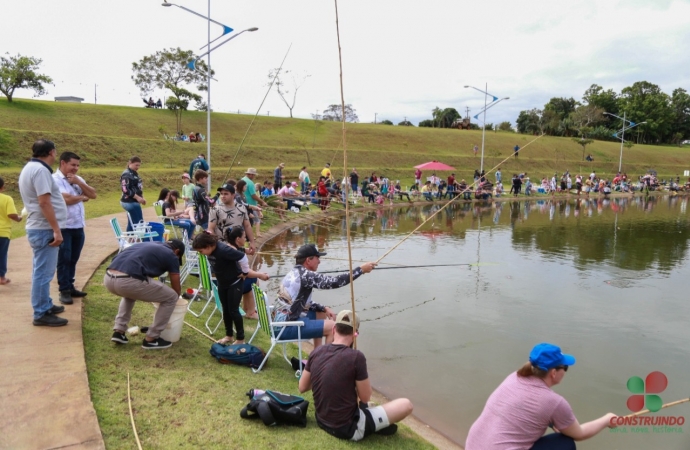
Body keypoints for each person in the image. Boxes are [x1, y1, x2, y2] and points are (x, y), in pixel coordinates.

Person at [465, 343, 617, 450]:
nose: (565, 370)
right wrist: (607, 420)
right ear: (553, 373)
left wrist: (553, 423)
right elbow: (580, 434)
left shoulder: (514, 377)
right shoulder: (554, 402)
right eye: (565, 367)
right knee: (565, 443)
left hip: (473, 446)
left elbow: (526, 410)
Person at [298, 309, 413, 440]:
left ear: (334, 329)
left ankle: (375, 421)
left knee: (371, 407)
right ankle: (374, 424)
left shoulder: (317, 352)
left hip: (321, 421)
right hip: (349, 428)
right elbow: (364, 398)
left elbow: (302, 387)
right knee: (406, 404)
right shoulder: (356, 357)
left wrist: (326, 375)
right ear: (355, 334)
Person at [277, 244, 376, 348]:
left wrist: (324, 308)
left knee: (320, 313)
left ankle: (317, 353)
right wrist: (360, 270)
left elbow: (296, 302)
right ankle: (325, 359)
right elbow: (336, 282)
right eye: (317, 258)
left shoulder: (294, 272)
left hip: (281, 321)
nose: (319, 261)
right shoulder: (306, 276)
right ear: (308, 260)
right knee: (333, 327)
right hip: (284, 327)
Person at [18, 139, 69, 326]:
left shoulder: (30, 168)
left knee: (41, 271)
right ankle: (41, 313)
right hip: (44, 228)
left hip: (39, 227)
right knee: (43, 273)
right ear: (52, 152)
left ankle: (45, 303)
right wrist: (56, 229)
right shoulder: (40, 171)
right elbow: (44, 202)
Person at [106, 240, 185, 349]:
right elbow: (175, 279)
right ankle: (152, 339)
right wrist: (177, 296)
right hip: (127, 282)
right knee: (171, 297)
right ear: (177, 251)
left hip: (108, 278)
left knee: (130, 293)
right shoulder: (171, 254)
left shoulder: (147, 244)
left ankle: (119, 331)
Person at [192, 232, 268, 344]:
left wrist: (245, 272)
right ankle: (229, 336)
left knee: (233, 311)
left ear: (208, 246)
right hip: (223, 283)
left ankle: (240, 339)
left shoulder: (223, 250)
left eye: (201, 251)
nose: (201, 254)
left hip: (234, 283)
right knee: (225, 310)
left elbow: (242, 257)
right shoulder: (211, 250)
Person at [53, 151, 97, 305]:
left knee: (73, 258)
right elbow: (65, 199)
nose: (75, 168)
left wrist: (79, 183)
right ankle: (64, 290)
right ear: (63, 163)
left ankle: (70, 286)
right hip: (64, 226)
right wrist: (81, 197)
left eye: (78, 165)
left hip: (78, 226)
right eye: (73, 165)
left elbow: (93, 194)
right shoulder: (54, 179)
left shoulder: (78, 179)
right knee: (64, 259)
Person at [207, 183, 256, 255]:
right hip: (222, 247)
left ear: (233, 195)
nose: (223, 196)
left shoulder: (241, 208)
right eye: (221, 194)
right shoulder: (215, 209)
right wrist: (217, 245)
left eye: (226, 194)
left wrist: (252, 242)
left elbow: (247, 226)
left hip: (238, 247)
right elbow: (210, 229)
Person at [0, 176, 23, 285]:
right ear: (2, 187)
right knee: (2, 254)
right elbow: (11, 214)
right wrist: (18, 218)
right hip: (3, 232)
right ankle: (1, 277)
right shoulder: (6, 198)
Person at [120, 156, 146, 232]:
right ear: (130, 163)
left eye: (139, 165)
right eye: (136, 165)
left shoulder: (134, 173)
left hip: (134, 201)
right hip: (129, 201)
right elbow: (125, 189)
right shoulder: (126, 174)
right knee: (138, 223)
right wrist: (137, 197)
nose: (138, 167)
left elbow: (138, 187)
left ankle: (130, 239)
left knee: (132, 222)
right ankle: (136, 240)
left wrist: (141, 197)